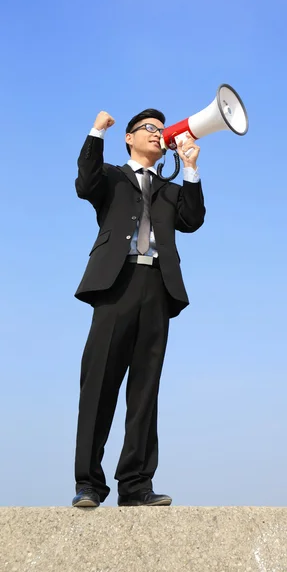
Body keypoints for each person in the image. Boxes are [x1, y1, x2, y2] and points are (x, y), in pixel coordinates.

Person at [72, 109, 205, 507]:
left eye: (161, 130)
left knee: (145, 389)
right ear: (129, 138)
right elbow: (85, 182)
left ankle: (136, 485)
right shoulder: (112, 176)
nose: (157, 134)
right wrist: (96, 131)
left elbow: (193, 219)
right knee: (99, 384)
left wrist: (191, 169)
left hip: (157, 286)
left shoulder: (168, 187)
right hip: (116, 284)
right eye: (149, 129)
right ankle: (89, 485)